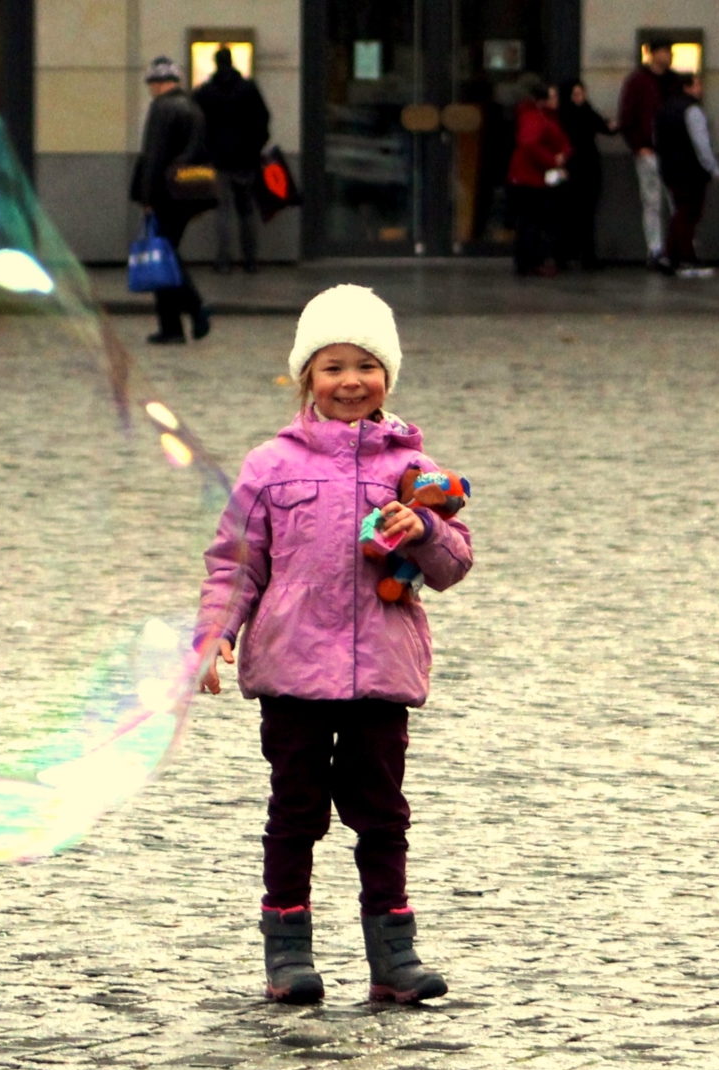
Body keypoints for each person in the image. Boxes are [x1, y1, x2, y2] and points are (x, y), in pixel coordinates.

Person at [195, 285, 473, 1005]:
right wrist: (216, 635)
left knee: (383, 815)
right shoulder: (271, 465)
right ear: (306, 378)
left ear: (389, 374)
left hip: (382, 673)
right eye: (332, 367)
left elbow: (453, 567)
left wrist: (429, 532)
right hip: (291, 672)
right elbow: (237, 560)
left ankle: (394, 957)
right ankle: (287, 953)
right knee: (295, 813)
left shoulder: (416, 470)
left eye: (366, 366)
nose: (351, 381)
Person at [130, 56, 212, 344]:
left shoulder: (162, 108)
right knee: (164, 253)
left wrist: (147, 195)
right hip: (187, 193)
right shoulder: (193, 107)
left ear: (159, 83)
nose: (150, 90)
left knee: (163, 256)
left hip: (165, 193)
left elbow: (154, 155)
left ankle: (194, 306)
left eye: (151, 84)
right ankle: (171, 327)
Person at [193, 46, 269, 274]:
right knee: (246, 211)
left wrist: (205, 152)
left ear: (216, 63)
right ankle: (251, 261)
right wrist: (254, 148)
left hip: (218, 161)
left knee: (223, 212)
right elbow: (263, 121)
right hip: (245, 160)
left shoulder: (205, 92)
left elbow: (196, 126)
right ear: (232, 62)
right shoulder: (249, 88)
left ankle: (224, 261)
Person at [654, 72, 719, 277]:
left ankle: (670, 255)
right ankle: (685, 256)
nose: (700, 89)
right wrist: (713, 167)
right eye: (697, 84)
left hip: (670, 170)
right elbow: (701, 143)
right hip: (691, 171)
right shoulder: (692, 110)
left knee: (680, 212)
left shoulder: (663, 109)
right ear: (687, 87)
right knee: (689, 213)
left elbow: (656, 138)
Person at [618, 41, 676, 269]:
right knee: (653, 201)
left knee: (672, 201)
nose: (669, 56)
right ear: (653, 54)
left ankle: (672, 247)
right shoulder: (638, 81)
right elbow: (627, 115)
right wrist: (638, 145)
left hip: (669, 151)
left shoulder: (671, 81)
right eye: (665, 51)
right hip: (650, 149)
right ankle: (656, 248)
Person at [506, 82, 571, 276]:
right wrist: (553, 160)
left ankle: (530, 260)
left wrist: (561, 154)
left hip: (534, 175)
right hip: (531, 177)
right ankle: (530, 261)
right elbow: (530, 145)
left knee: (531, 220)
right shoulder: (534, 118)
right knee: (531, 220)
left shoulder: (539, 116)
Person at [555, 80, 616, 269]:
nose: (580, 98)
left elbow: (606, 128)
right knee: (569, 213)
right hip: (573, 167)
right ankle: (566, 255)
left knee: (586, 214)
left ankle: (585, 255)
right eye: (575, 95)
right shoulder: (566, 116)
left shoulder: (586, 112)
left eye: (581, 94)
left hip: (587, 168)